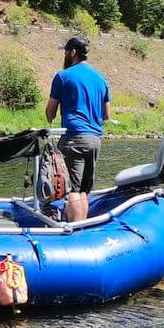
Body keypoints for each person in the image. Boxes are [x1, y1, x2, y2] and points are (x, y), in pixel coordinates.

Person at [45, 36, 111, 222]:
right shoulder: (101, 79)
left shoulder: (63, 77)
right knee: (83, 190)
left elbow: (50, 112)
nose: (65, 55)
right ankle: (82, 227)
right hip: (95, 140)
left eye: (66, 52)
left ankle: (75, 231)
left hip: (74, 138)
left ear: (73, 52)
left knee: (72, 190)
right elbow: (106, 115)